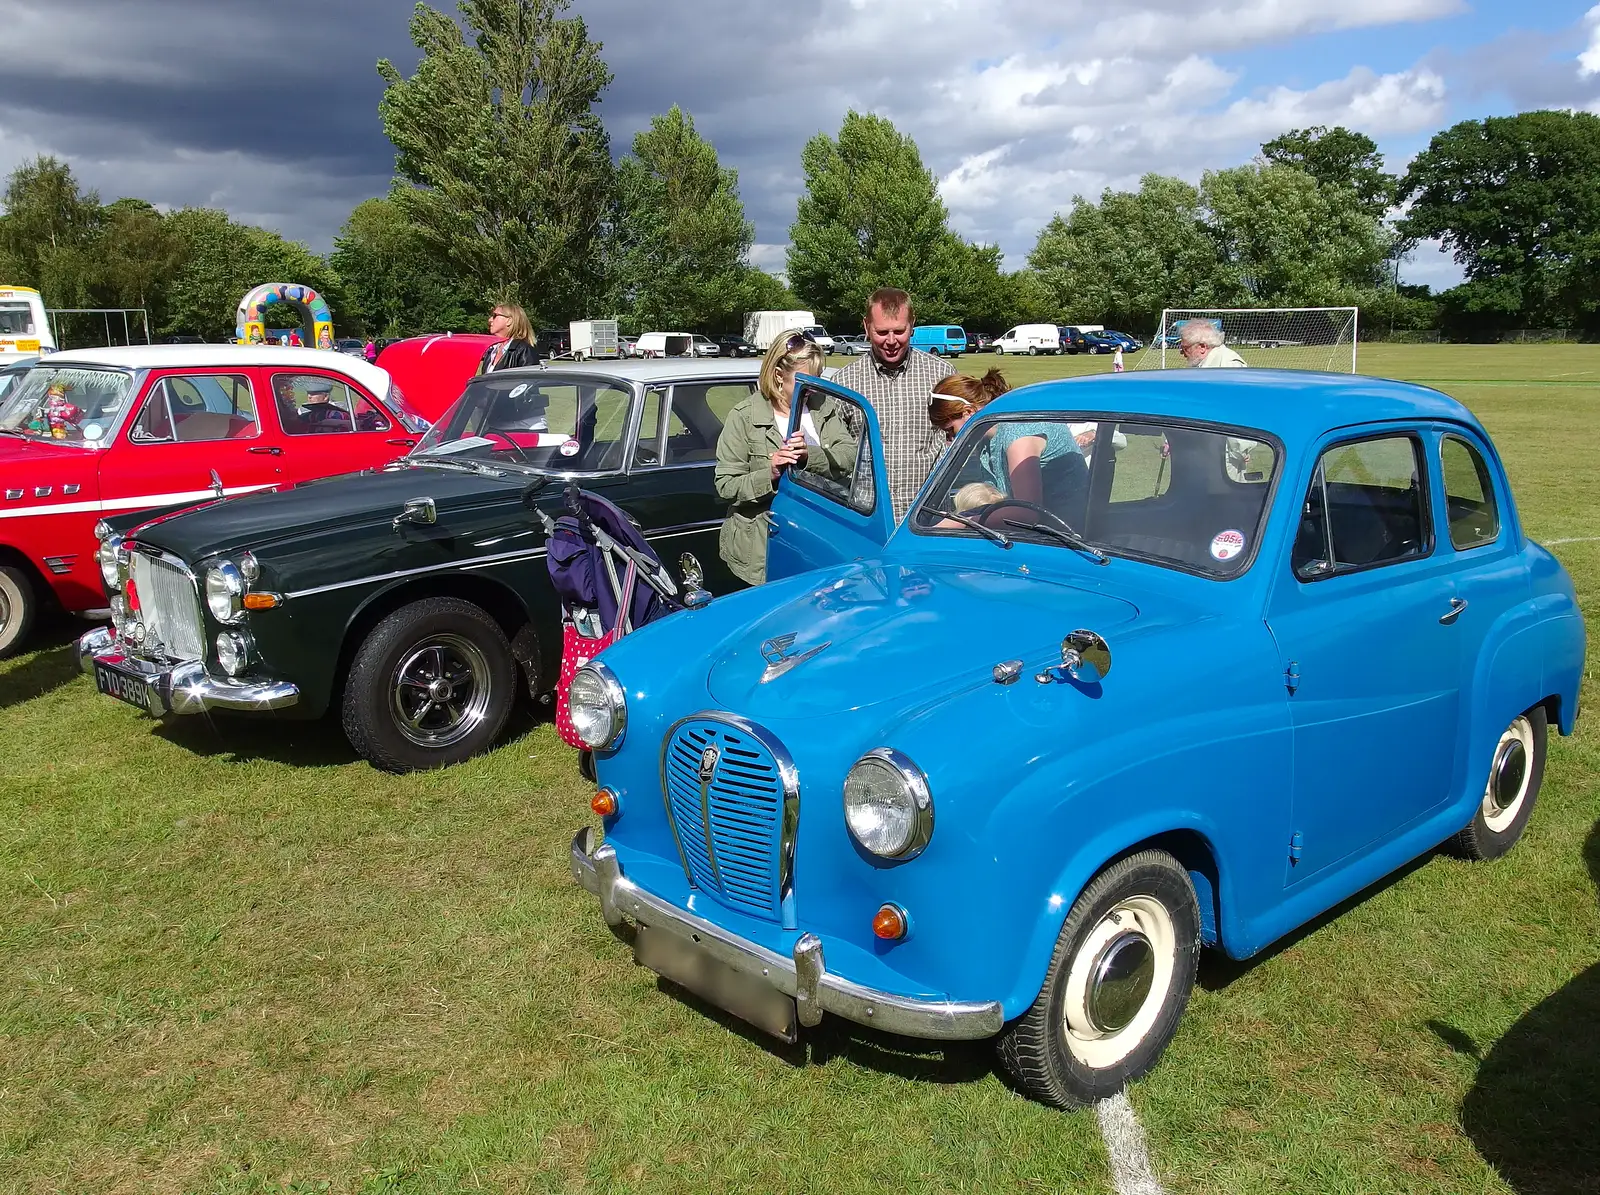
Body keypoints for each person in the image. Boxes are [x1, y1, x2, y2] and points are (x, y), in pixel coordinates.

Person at [714, 330, 855, 585]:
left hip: (817, 542)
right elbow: (726, 485)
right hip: (762, 551)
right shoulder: (744, 416)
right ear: (779, 375)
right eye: (804, 383)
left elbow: (849, 455)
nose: (813, 390)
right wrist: (771, 472)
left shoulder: (822, 406)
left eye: (818, 380)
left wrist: (809, 456)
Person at [831, 287, 954, 520]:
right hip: (866, 519)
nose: (890, 341)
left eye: (899, 331)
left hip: (926, 519)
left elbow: (960, 440)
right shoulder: (844, 382)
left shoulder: (941, 374)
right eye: (881, 332)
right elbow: (833, 453)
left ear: (912, 325)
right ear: (866, 326)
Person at [926, 369, 1085, 510]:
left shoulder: (1019, 435)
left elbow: (1027, 512)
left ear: (968, 411)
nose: (950, 440)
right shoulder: (988, 438)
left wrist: (959, 522)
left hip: (1067, 534)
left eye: (950, 431)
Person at [479, 302, 540, 374]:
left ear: (509, 321)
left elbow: (528, 381)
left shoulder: (525, 350)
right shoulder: (492, 349)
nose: (490, 320)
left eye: (495, 316)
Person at [1178, 321, 1246, 368]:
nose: (1181, 352)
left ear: (1202, 347)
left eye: (1185, 348)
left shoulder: (1229, 365)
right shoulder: (1201, 363)